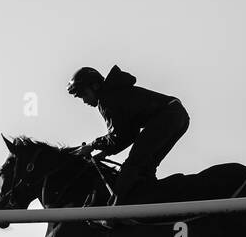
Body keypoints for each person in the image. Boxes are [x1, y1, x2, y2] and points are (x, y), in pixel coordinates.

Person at [67, 64, 190, 205]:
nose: (84, 101)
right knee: (145, 168)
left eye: (83, 94)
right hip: (180, 115)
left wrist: (92, 145)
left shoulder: (107, 99)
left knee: (131, 168)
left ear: (95, 87)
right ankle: (149, 203)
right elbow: (129, 134)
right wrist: (105, 153)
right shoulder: (113, 94)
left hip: (168, 116)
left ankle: (115, 212)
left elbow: (118, 136)